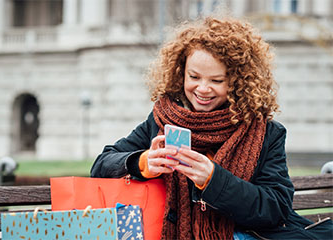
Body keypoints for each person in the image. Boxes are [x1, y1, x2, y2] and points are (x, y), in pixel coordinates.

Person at [91, 16, 333, 239]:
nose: (203, 89)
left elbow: (276, 208)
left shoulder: (265, 133)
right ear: (180, 74)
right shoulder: (161, 120)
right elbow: (101, 164)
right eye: (194, 77)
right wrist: (143, 163)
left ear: (238, 82)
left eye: (217, 81)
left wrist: (214, 180)